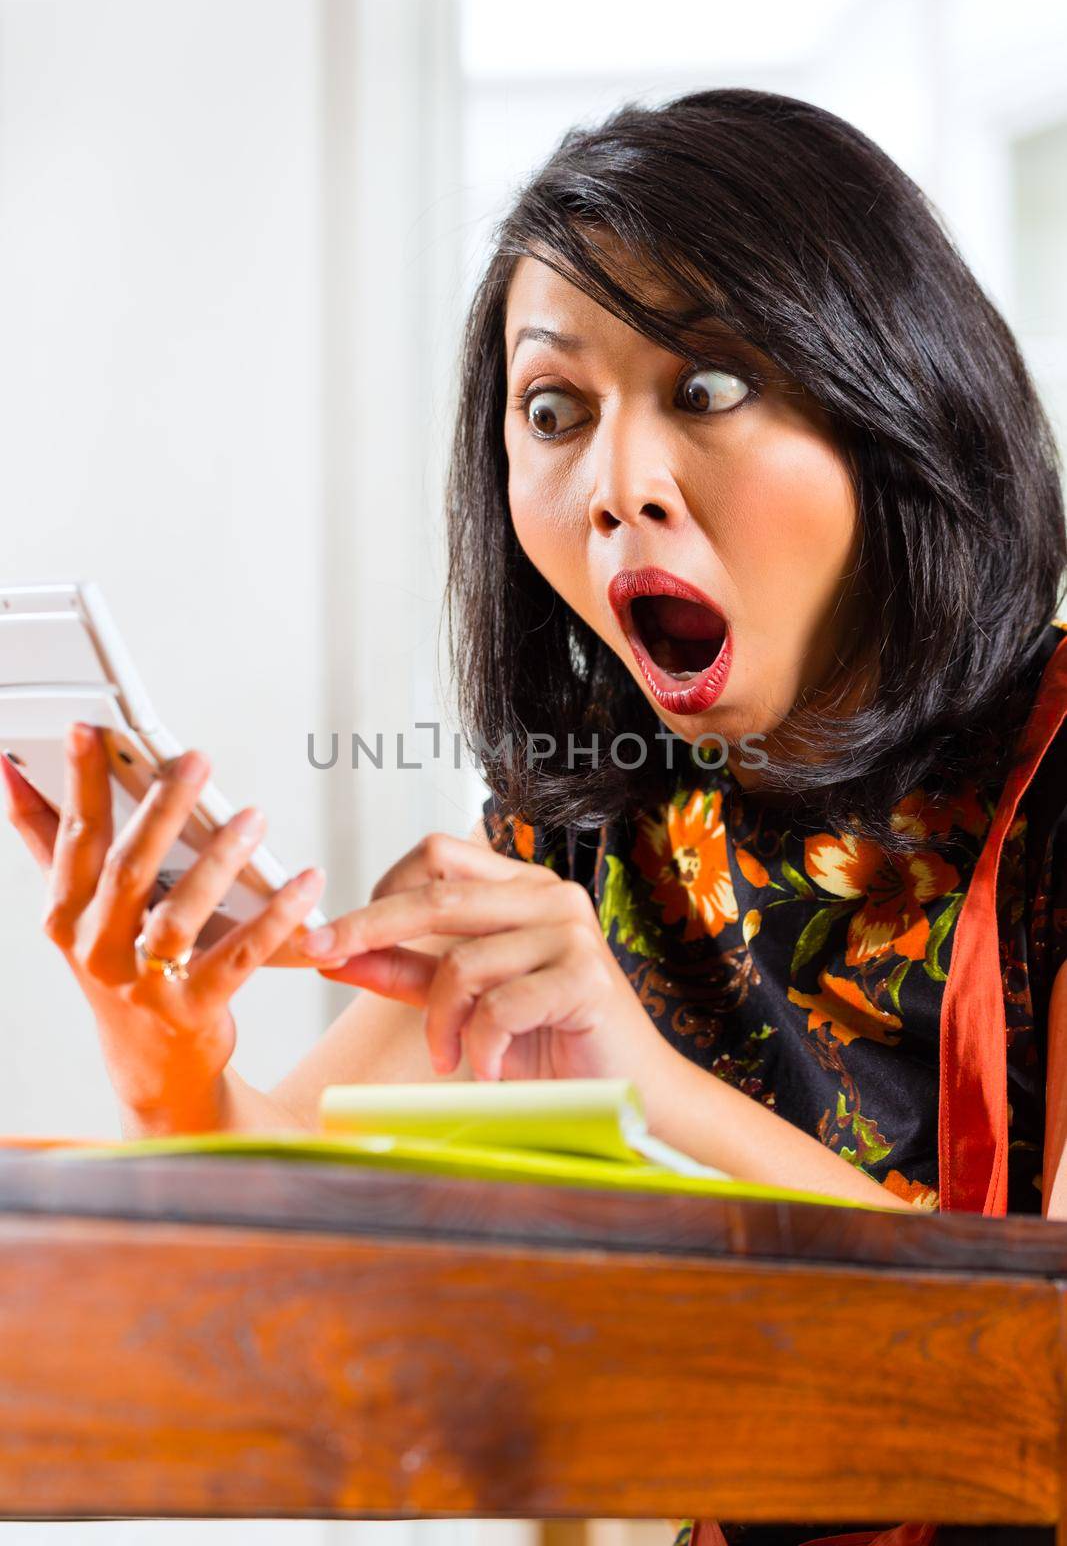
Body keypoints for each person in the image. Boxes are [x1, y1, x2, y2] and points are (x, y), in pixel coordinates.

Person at [3, 89, 1066, 1546]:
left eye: (706, 390)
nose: (615, 489)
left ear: (892, 392)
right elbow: (265, 1223)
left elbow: (1042, 1377)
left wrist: (651, 1091)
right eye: (553, 413)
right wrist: (168, 1058)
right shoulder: (593, 822)